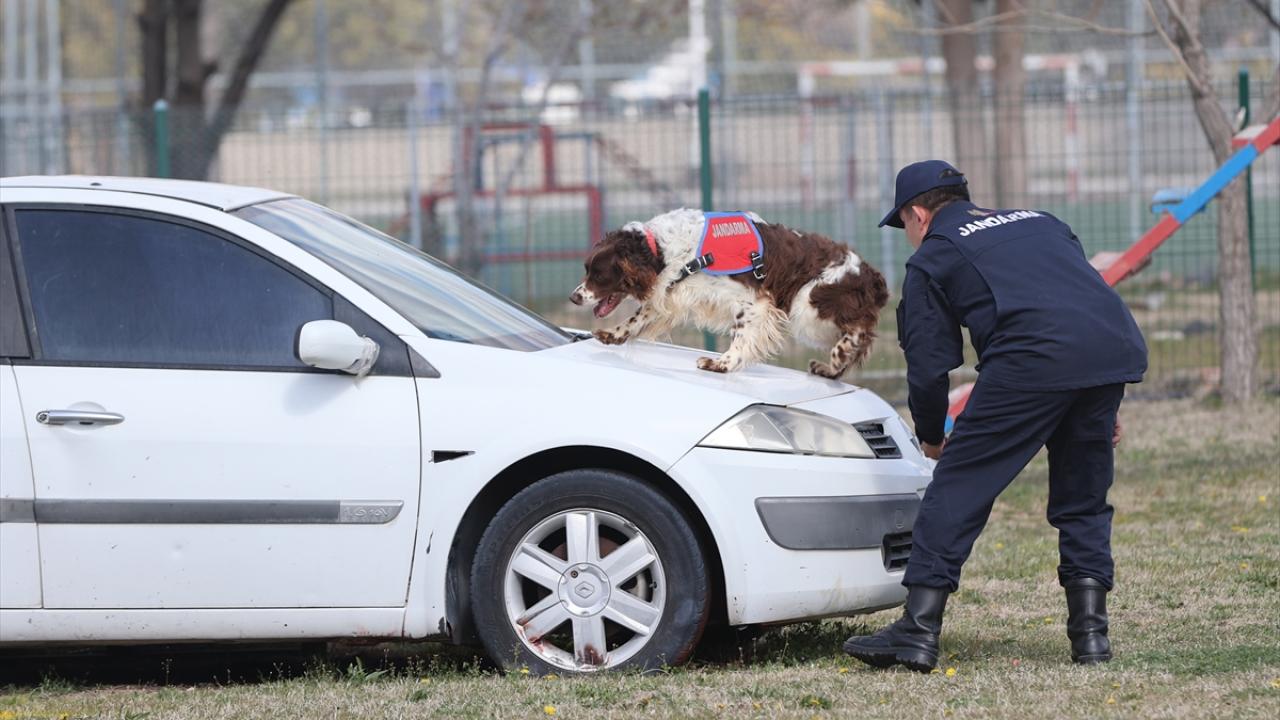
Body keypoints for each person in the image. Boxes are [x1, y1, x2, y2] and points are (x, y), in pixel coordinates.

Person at [842, 160, 1147, 671]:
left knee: (957, 488)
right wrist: (1095, 398)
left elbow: (928, 362)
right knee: (1084, 500)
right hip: (1107, 353)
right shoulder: (1040, 220)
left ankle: (917, 632)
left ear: (919, 214)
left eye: (905, 226)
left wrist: (933, 435)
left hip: (1031, 360)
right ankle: (1091, 640)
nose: (909, 237)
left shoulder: (934, 257)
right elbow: (1080, 298)